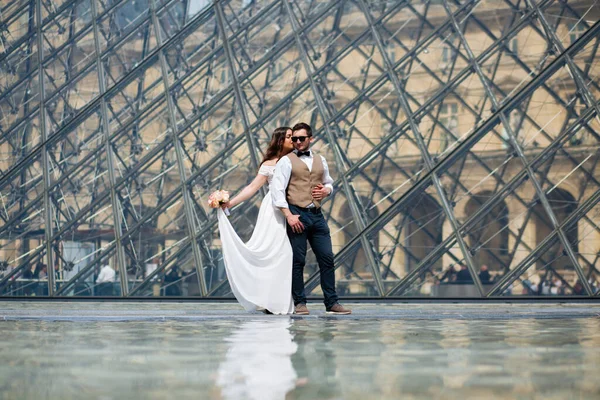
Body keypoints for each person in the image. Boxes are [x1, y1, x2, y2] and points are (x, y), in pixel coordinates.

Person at [271, 122, 351, 315]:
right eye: (294, 138)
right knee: (298, 261)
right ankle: (300, 302)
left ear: (311, 139)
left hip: (317, 215)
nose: (297, 142)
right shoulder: (286, 161)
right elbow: (277, 191)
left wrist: (327, 190)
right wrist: (289, 216)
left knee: (327, 258)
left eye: (301, 138)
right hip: (297, 214)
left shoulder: (320, 160)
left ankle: (332, 302)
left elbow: (329, 183)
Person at [217, 127, 295, 315]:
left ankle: (282, 301)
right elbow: (252, 187)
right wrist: (230, 203)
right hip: (274, 211)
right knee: (277, 253)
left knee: (287, 255)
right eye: (290, 137)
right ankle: (273, 301)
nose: (294, 140)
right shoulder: (269, 164)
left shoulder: (298, 160)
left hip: (293, 206)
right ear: (279, 140)